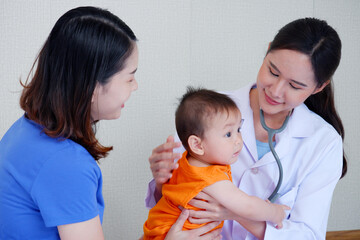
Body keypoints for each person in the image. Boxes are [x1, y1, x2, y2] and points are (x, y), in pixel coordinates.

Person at [146, 17, 347, 240]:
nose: (276, 91)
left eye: (294, 85)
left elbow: (308, 235)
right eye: (273, 72)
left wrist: (237, 214)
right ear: (267, 51)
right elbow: (170, 201)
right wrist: (160, 180)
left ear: (319, 87)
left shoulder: (323, 142)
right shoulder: (206, 111)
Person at [0, 6, 138, 240]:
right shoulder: (67, 163)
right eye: (130, 77)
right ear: (92, 86)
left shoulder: (25, 130)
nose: (135, 86)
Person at [143, 88, 290, 239]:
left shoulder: (186, 162)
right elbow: (247, 206)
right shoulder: (209, 178)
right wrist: (274, 212)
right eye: (228, 134)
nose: (238, 140)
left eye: (238, 129)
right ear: (197, 145)